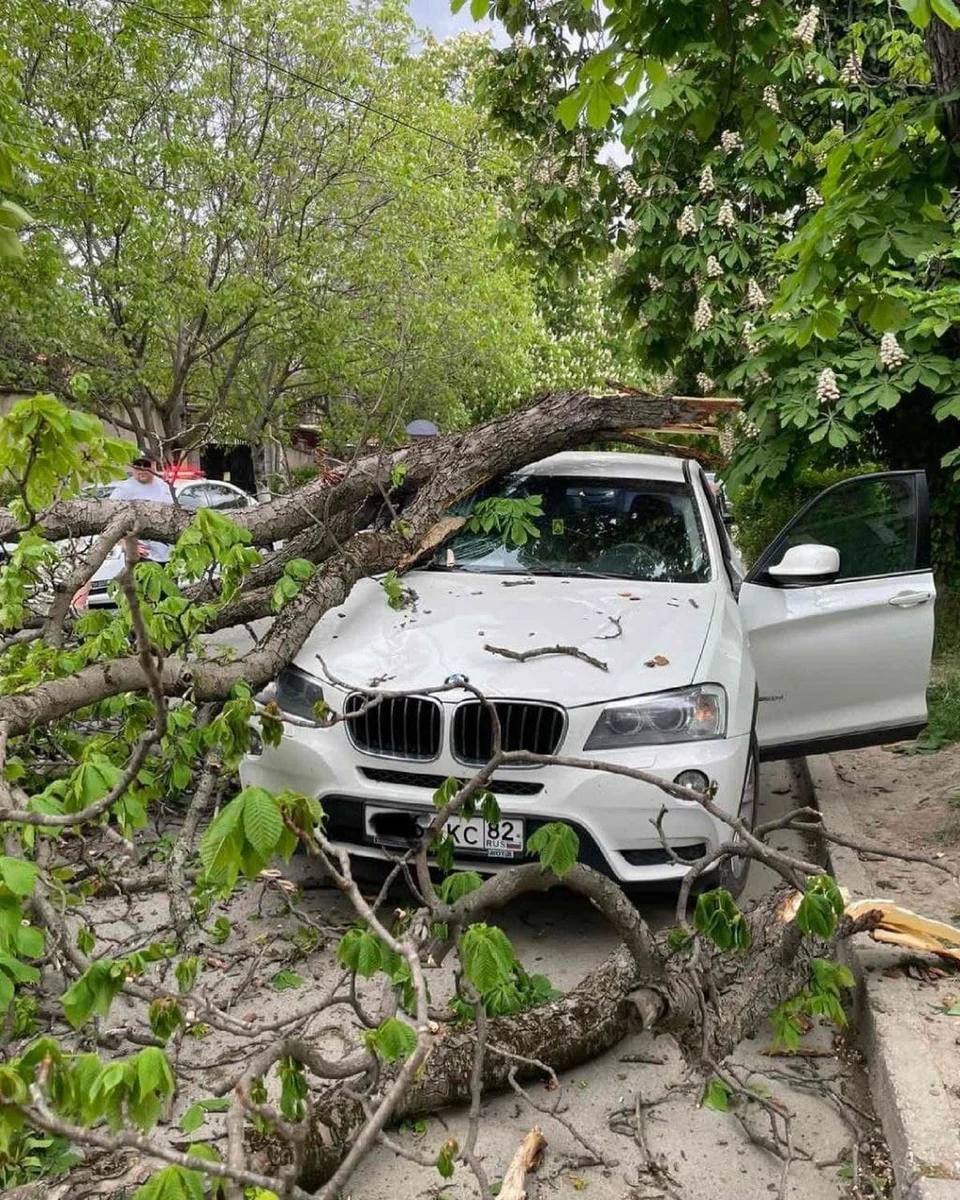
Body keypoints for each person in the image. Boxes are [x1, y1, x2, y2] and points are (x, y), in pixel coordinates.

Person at [109, 450, 176, 563]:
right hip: (143, 556)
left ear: (154, 465)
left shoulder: (164, 486)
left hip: (168, 555)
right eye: (137, 466)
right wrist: (126, 545)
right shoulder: (124, 490)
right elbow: (110, 520)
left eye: (146, 465)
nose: (142, 469)